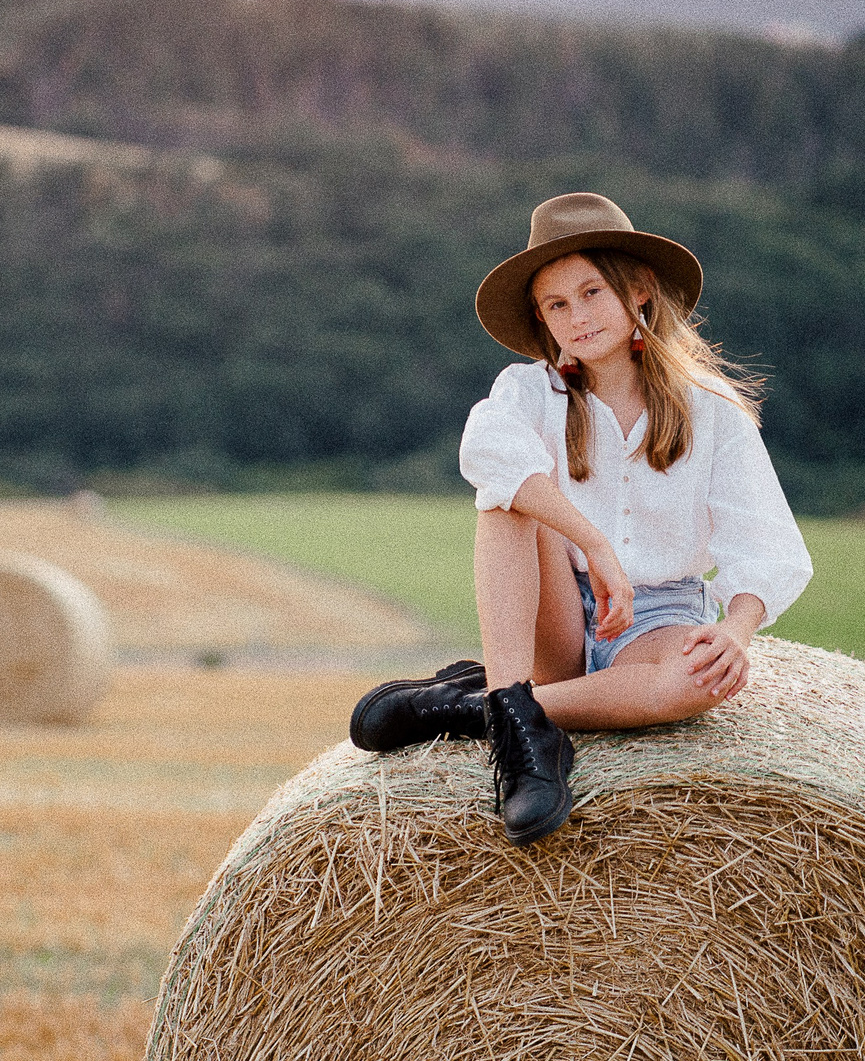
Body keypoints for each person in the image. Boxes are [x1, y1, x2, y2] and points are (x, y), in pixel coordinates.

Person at [348, 192, 813, 847]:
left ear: (641, 290)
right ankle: (520, 728)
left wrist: (736, 631)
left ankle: (482, 708)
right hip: (561, 610)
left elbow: (764, 541)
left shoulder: (712, 413)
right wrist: (592, 543)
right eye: (556, 305)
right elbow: (487, 453)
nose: (577, 318)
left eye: (592, 292)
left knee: (695, 683)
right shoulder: (531, 393)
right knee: (505, 497)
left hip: (656, 621)